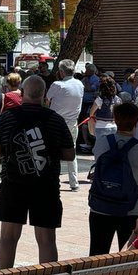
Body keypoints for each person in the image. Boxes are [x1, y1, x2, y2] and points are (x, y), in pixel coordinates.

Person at [0, 73, 76, 270]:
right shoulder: (55, 119)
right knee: (47, 239)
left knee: (8, 237)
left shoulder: (7, 118)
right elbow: (70, 154)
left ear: (22, 93)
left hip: (13, 183)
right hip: (46, 184)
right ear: (44, 95)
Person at [87, 101, 138, 254]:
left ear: (115, 119)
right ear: (137, 122)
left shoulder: (102, 142)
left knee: (97, 253)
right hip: (131, 207)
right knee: (128, 256)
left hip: (101, 205)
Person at [46, 59, 84, 191]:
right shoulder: (80, 84)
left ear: (61, 72)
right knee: (71, 152)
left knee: (53, 152)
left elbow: (47, 100)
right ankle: (74, 183)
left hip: (56, 123)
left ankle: (53, 179)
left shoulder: (57, 85)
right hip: (72, 123)